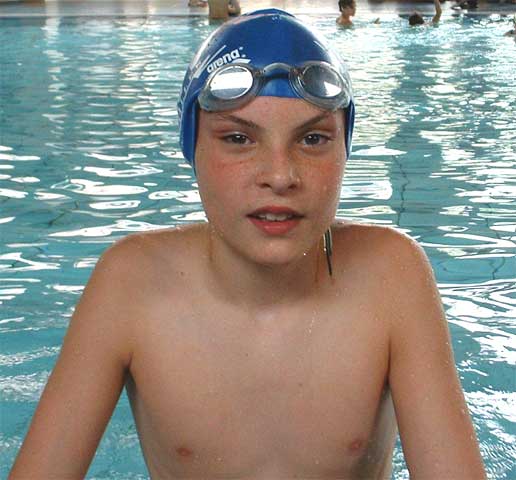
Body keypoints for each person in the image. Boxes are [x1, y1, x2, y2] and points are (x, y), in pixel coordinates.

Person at [9, 9, 486, 480]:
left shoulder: (391, 275)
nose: (279, 175)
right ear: (192, 147)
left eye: (313, 139)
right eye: (238, 138)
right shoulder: (131, 284)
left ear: (345, 150)